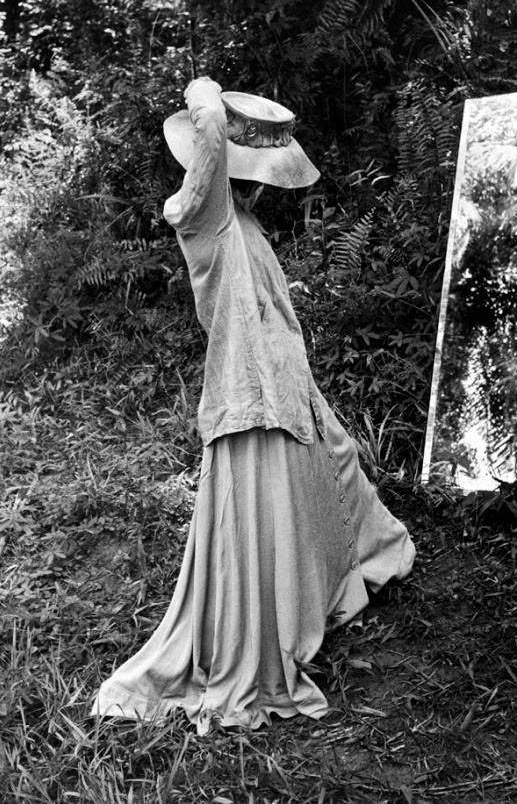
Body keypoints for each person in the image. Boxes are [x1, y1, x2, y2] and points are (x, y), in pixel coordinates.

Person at [91, 77, 415, 735]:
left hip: (282, 387)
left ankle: (311, 602)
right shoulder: (201, 213)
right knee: (258, 527)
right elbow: (209, 128)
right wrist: (201, 88)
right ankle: (257, 645)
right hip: (245, 398)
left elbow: (272, 321)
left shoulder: (243, 222)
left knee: (336, 474)